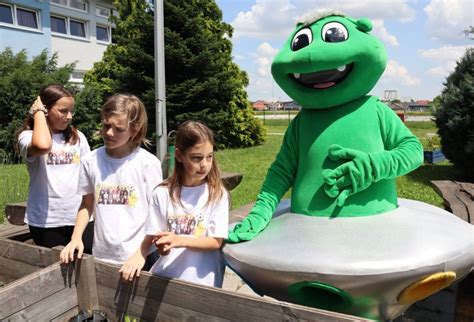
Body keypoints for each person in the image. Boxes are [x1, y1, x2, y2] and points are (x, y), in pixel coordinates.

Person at [120, 121, 229, 288]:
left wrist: (179, 240)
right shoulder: (162, 193)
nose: (204, 164)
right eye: (196, 158)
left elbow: (215, 242)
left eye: (209, 156)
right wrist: (161, 248)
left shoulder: (217, 194)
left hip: (204, 283)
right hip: (166, 279)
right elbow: (156, 236)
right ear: (179, 155)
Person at [60, 94, 163, 265]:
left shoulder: (148, 163)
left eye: (119, 129)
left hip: (140, 256)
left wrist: (141, 254)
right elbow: (87, 204)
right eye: (106, 125)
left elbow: (156, 214)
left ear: (135, 129)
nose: (109, 133)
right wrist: (76, 238)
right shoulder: (90, 160)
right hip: (102, 253)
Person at [15, 84, 93, 251]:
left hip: (80, 217)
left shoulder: (78, 137)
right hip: (47, 221)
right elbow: (43, 146)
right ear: (46, 109)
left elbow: (89, 175)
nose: (69, 116)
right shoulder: (27, 136)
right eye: (63, 111)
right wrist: (38, 113)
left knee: (87, 268)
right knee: (57, 271)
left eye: (72, 111)